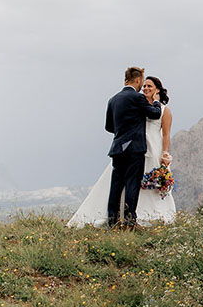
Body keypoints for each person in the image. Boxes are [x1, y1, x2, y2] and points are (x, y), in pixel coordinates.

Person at [67, 67, 162, 228]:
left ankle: (113, 220)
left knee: (116, 186)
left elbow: (109, 127)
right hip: (135, 149)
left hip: (117, 148)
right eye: (142, 81)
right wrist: (157, 101)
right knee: (132, 184)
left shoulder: (113, 100)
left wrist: (122, 130)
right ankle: (130, 220)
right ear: (138, 80)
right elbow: (154, 114)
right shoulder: (137, 98)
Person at [135, 75, 176, 223]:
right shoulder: (140, 106)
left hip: (154, 147)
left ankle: (157, 214)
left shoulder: (165, 110)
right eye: (144, 86)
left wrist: (165, 154)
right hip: (139, 145)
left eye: (149, 86)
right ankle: (138, 213)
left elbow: (166, 134)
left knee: (155, 180)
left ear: (157, 90)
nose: (145, 88)